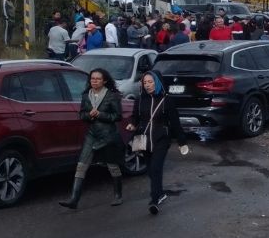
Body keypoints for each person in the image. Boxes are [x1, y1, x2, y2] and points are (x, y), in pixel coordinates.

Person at [59, 68, 125, 209]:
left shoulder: (111, 96)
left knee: (112, 166)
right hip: (91, 134)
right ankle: (74, 199)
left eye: (98, 79)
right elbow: (82, 115)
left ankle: (118, 195)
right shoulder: (85, 95)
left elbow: (117, 116)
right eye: (92, 79)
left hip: (107, 136)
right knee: (81, 165)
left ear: (104, 81)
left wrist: (100, 114)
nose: (94, 81)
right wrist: (89, 115)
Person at [126, 71, 188, 215]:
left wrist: (181, 142)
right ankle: (160, 193)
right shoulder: (140, 99)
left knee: (155, 168)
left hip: (162, 139)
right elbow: (136, 117)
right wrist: (132, 125)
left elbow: (175, 122)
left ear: (157, 82)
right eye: (145, 83)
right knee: (151, 170)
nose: (147, 85)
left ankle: (154, 200)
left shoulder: (167, 100)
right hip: (145, 139)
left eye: (150, 82)